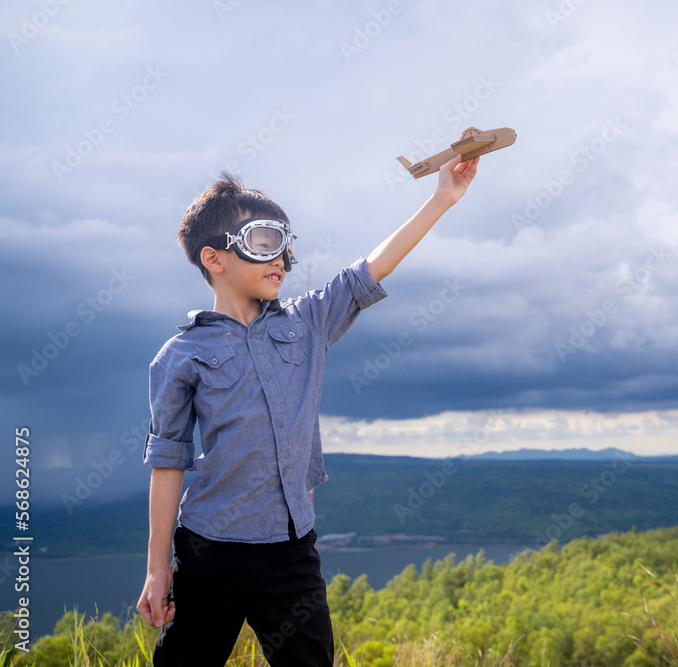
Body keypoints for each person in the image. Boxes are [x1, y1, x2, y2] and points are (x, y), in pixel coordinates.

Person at [137, 154, 479, 665]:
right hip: (209, 550)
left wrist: (442, 198)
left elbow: (370, 270)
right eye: (262, 241)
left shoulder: (308, 323)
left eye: (285, 242)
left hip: (291, 550)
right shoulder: (179, 356)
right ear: (214, 258)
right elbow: (168, 461)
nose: (281, 257)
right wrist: (157, 568)